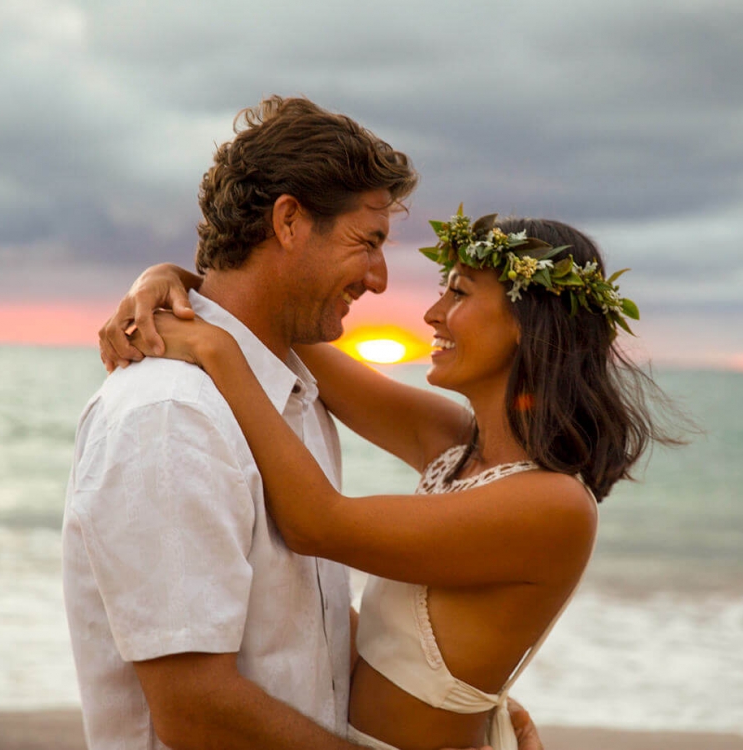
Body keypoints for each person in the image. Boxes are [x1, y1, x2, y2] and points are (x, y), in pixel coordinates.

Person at [100, 209, 682, 749]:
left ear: (529, 325)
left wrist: (217, 352)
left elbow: (316, 522)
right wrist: (164, 279)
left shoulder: (553, 505)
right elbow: (273, 323)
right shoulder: (455, 443)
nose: (431, 315)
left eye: (457, 293)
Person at [64, 94, 493, 750]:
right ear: (290, 221)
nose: (379, 280)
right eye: (367, 242)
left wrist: (474, 718)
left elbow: (305, 634)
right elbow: (195, 711)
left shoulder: (294, 398)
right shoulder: (172, 416)